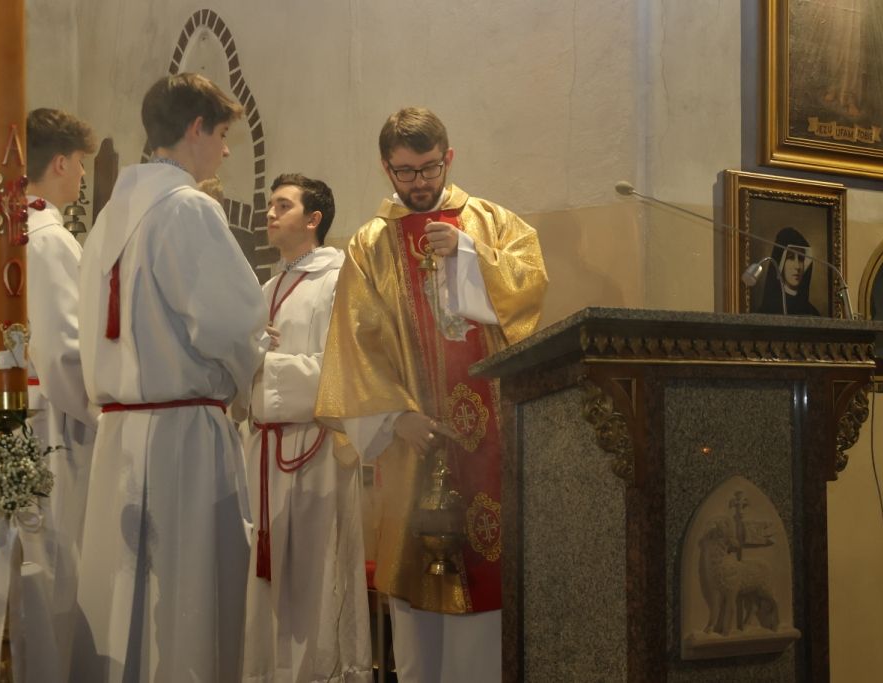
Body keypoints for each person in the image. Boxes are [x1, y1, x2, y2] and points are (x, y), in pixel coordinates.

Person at [315, 107, 547, 683]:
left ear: (449, 158)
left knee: (486, 579)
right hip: (411, 441)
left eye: (429, 168)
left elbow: (530, 292)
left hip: (489, 441)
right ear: (385, 167)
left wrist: (469, 254)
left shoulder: (492, 222)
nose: (418, 182)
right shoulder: (370, 244)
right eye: (405, 171)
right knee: (415, 588)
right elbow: (355, 341)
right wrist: (395, 417)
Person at [73, 73, 266, 682]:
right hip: (184, 438)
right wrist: (250, 377)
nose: (226, 150)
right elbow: (232, 324)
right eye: (223, 134)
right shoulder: (187, 206)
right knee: (186, 609)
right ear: (196, 128)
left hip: (119, 436)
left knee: (122, 612)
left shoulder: (110, 217)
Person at [0, 107, 98, 680]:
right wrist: (104, 412)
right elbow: (65, 353)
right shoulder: (52, 240)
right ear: (59, 163)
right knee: (49, 570)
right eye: (81, 164)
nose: (82, 176)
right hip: (46, 427)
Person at [240, 174, 372, 683]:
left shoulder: (339, 281)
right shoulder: (266, 288)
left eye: (283, 205)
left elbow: (345, 372)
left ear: (314, 219)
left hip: (315, 451)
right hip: (265, 452)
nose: (270, 214)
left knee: (315, 580)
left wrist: (265, 365)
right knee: (267, 588)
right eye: (270, 205)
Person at [757, 226, 821, 316]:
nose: (797, 266)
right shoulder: (766, 311)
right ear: (781, 263)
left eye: (801, 258)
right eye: (791, 258)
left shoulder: (812, 313)